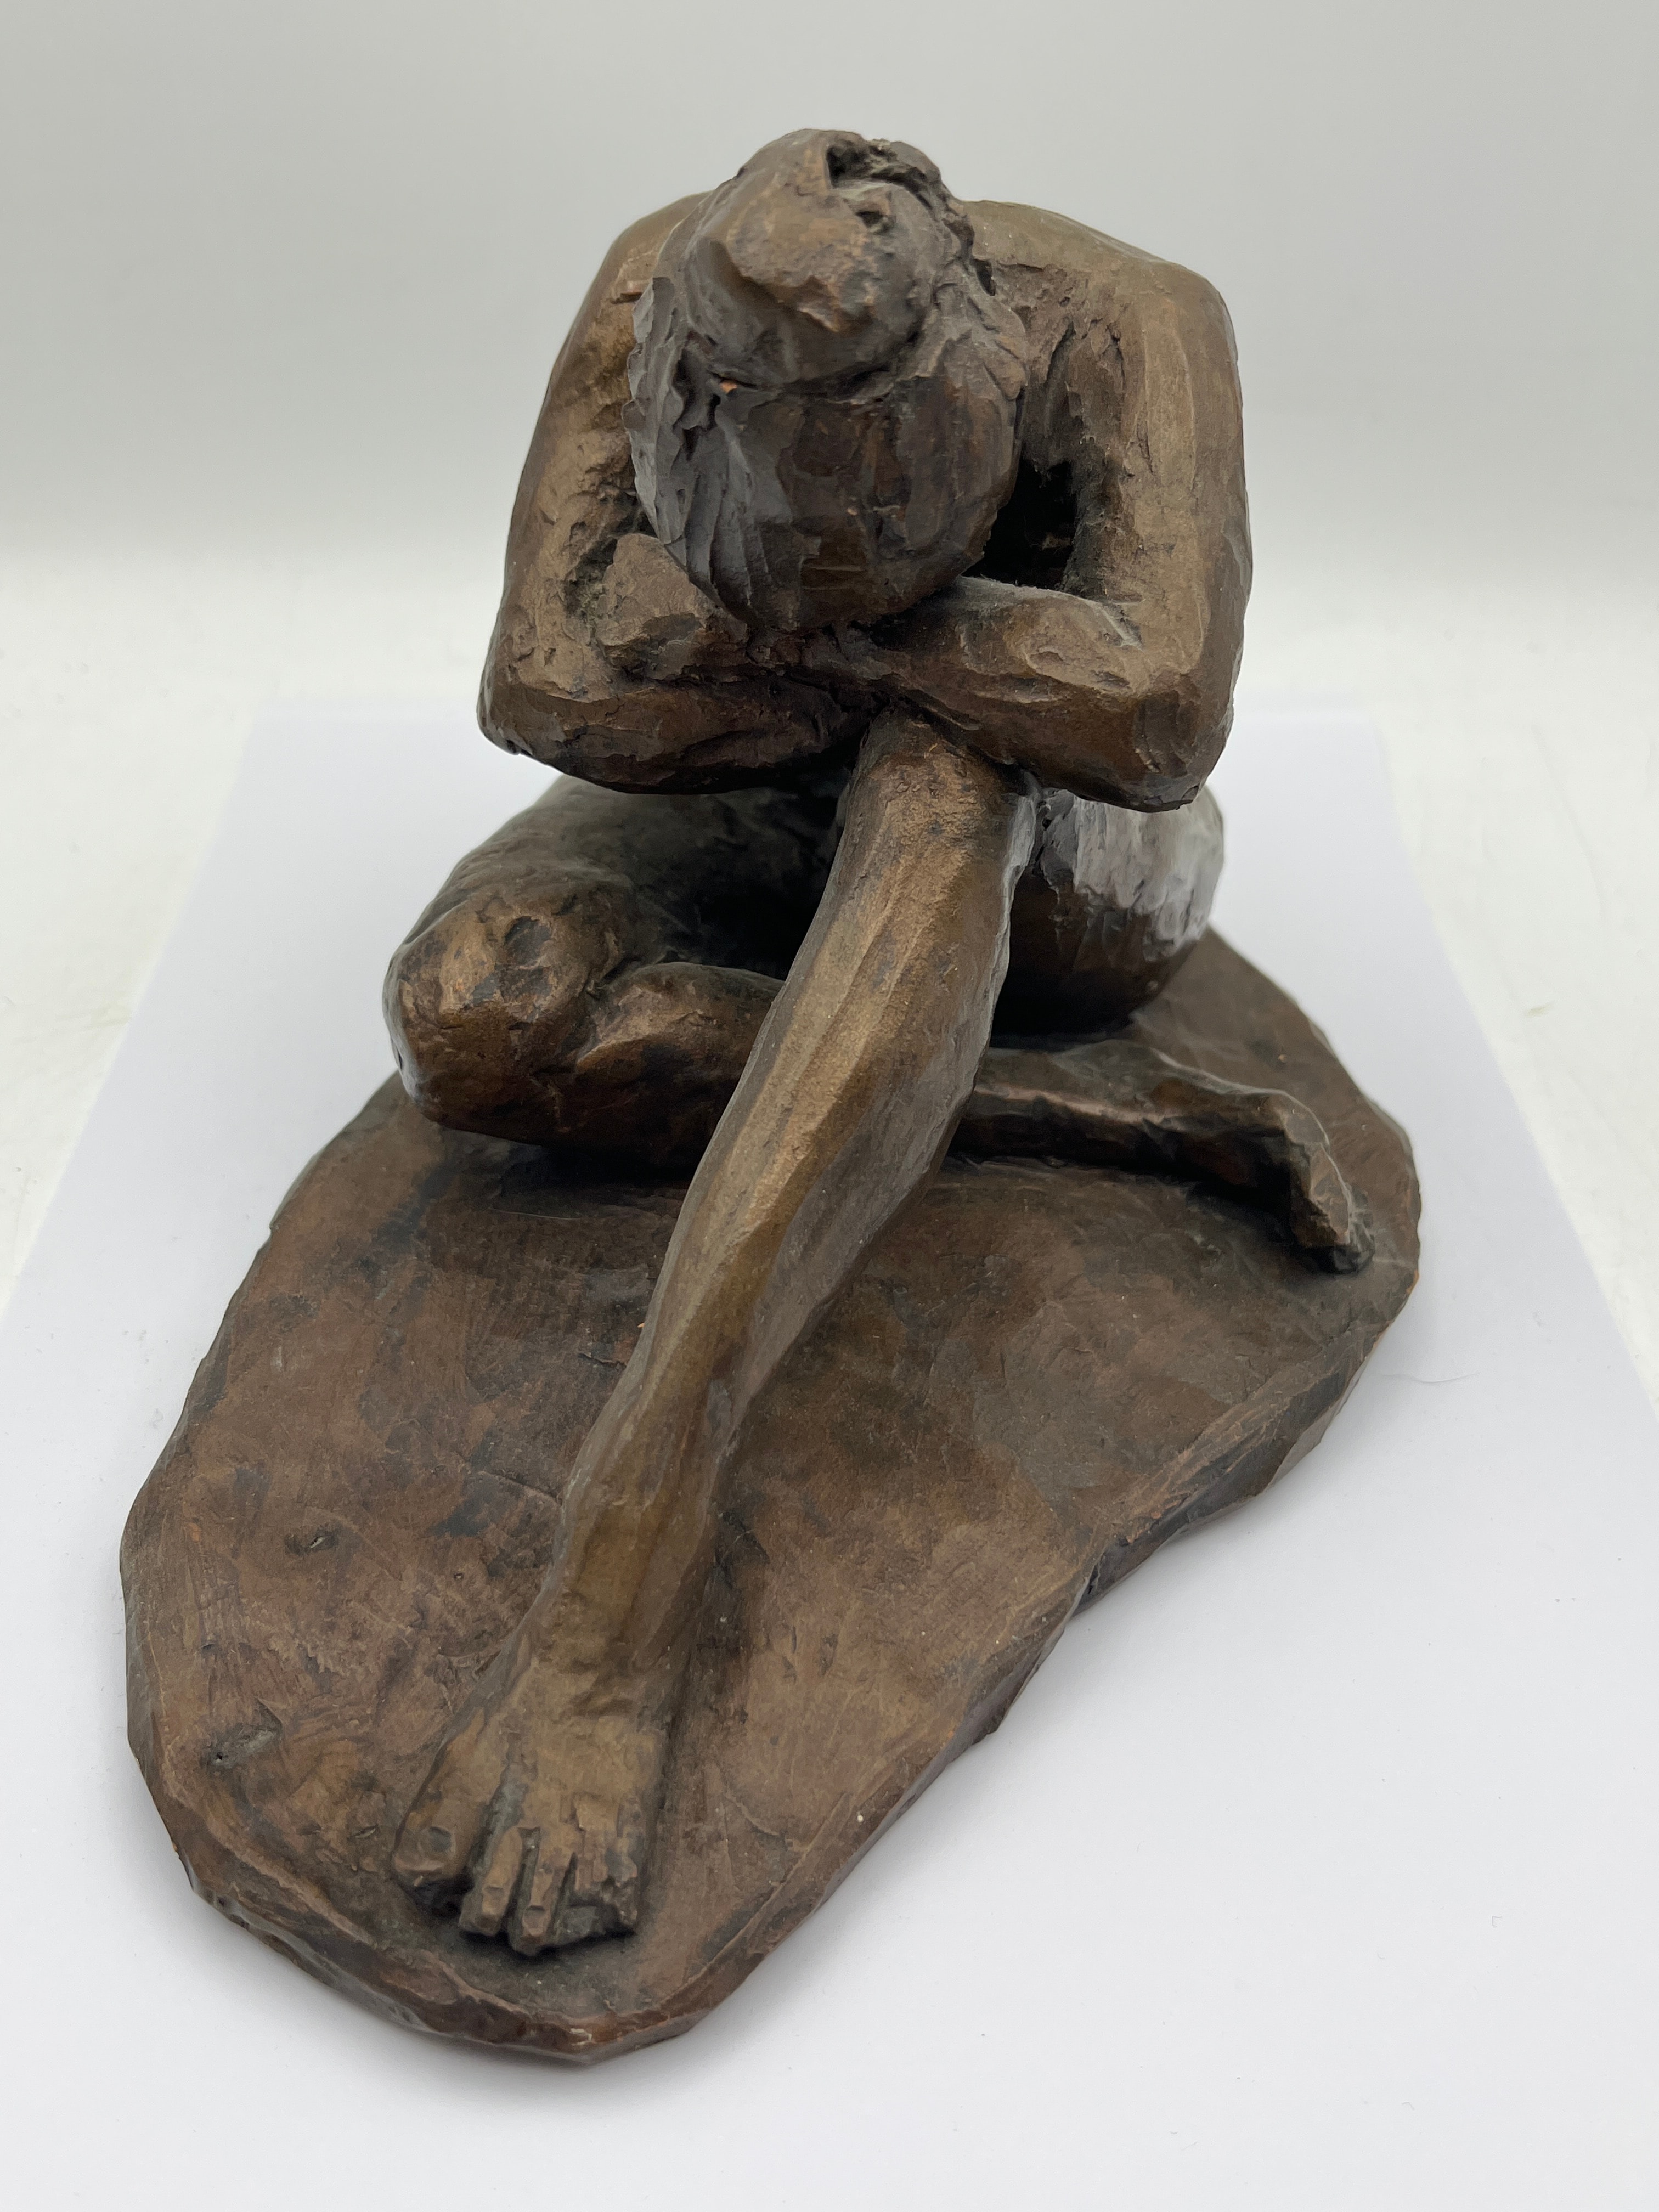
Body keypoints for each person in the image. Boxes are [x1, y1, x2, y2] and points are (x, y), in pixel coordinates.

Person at [387, 131, 1364, 1956]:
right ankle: (1109, 1127)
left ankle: (622, 1574)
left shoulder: (1128, 323)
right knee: (477, 1011)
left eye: (877, 539)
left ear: (975, 332)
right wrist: (889, 638)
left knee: (938, 783)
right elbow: (540, 679)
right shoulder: (653, 285)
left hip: (1064, 863)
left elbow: (1155, 714)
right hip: (744, 788)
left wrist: (800, 637)